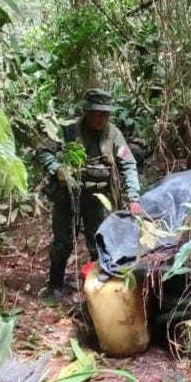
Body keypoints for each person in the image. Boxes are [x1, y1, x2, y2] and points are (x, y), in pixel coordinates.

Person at [37, 89, 142, 303]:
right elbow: (42, 151)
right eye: (97, 113)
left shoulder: (113, 135)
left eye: (106, 114)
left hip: (97, 199)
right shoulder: (67, 130)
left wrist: (133, 197)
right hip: (67, 198)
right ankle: (55, 286)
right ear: (86, 111)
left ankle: (99, 288)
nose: (102, 118)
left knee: (99, 243)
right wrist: (56, 167)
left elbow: (128, 164)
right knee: (63, 243)